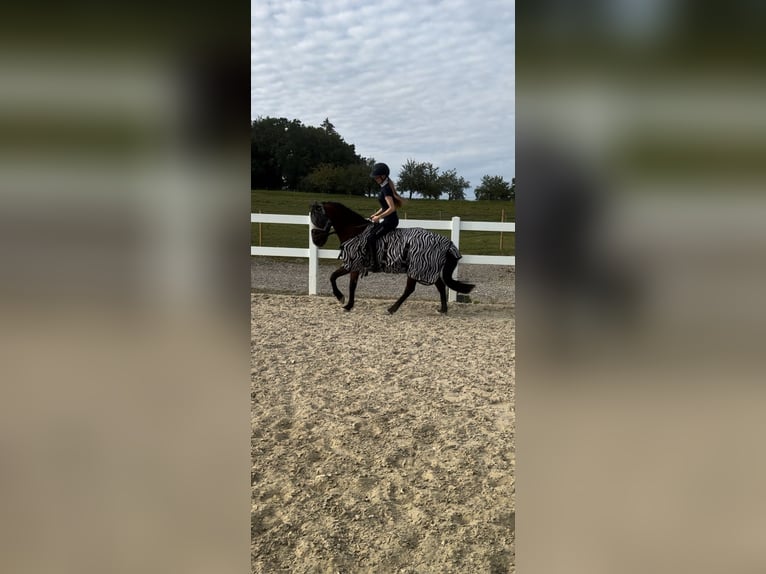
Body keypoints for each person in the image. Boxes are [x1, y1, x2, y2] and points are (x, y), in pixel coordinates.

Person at [365, 162, 404, 272]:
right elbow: (384, 207)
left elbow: (392, 208)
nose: (375, 179)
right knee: (369, 233)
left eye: (377, 177)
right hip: (387, 219)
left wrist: (379, 217)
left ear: (383, 176)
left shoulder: (386, 189)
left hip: (390, 221)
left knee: (371, 238)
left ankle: (375, 265)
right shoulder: (384, 187)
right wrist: (375, 214)